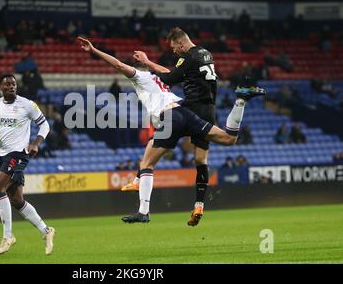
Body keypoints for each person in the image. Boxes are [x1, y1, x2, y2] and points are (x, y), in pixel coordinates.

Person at [77, 36, 265, 226]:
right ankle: (240, 102)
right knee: (228, 139)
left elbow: (118, 64)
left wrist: (94, 51)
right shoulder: (162, 76)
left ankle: (143, 209)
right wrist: (149, 61)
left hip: (170, 118)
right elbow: (167, 71)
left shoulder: (141, 77)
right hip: (184, 112)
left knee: (147, 164)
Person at [131, 27, 218, 224]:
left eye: (174, 47)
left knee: (156, 141)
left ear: (181, 43)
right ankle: (199, 205)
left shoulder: (188, 57)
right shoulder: (206, 54)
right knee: (200, 160)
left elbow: (170, 78)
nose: (174, 51)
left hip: (190, 109)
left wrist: (146, 72)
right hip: (210, 111)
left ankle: (139, 179)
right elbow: (184, 74)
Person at [0, 74, 55, 255]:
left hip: (19, 153)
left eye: (13, 84)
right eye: (7, 84)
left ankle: (8, 237)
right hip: (3, 154)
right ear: (1, 87)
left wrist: (36, 143)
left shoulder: (27, 104)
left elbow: (45, 126)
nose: (11, 86)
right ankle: (47, 231)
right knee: (16, 200)